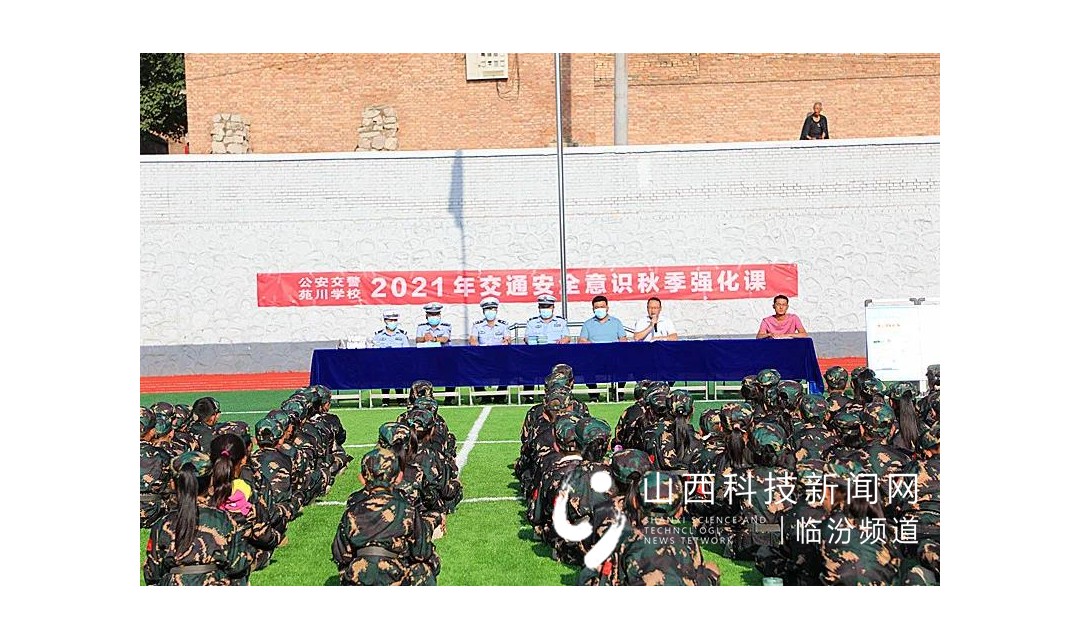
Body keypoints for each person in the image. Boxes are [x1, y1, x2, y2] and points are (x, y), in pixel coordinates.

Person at [144, 451, 252, 585]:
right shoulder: (224, 520)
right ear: (210, 481)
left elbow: (152, 573)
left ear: (173, 484)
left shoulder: (162, 524)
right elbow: (238, 566)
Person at [469, 296, 511, 401]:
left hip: (499, 357)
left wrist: (506, 341)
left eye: (492, 309)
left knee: (507, 369)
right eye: (487, 309)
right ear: (483, 311)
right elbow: (473, 340)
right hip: (482, 357)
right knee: (473, 369)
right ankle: (483, 395)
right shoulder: (477, 325)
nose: (490, 312)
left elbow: (508, 339)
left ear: (496, 310)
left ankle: (500, 396)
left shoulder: (503, 325)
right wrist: (477, 346)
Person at [373, 308, 410, 405]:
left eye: (395, 320)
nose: (393, 322)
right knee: (385, 380)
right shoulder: (379, 336)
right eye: (390, 320)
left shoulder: (402, 335)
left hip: (398, 363)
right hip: (384, 363)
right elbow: (375, 350)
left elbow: (406, 350)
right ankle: (385, 400)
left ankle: (400, 399)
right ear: (385, 321)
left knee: (399, 380)